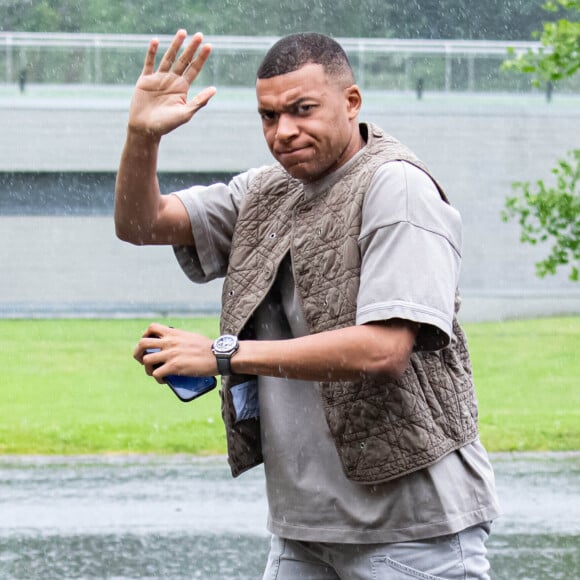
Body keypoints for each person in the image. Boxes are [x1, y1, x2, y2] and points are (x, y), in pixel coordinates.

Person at [115, 29, 501, 579]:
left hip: (412, 530)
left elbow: (383, 350)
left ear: (351, 102)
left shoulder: (397, 189)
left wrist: (224, 354)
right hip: (303, 532)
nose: (284, 131)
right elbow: (139, 223)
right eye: (269, 117)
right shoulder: (265, 192)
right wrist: (141, 135)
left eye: (302, 110)